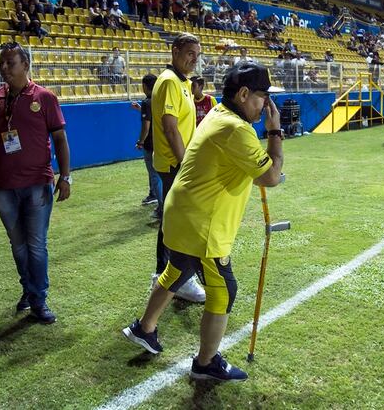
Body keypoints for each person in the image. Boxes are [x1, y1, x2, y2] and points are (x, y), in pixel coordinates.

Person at [122, 61, 285, 382]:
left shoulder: (219, 114)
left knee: (178, 269)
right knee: (224, 290)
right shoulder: (236, 129)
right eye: (262, 96)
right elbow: (271, 176)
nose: (266, 104)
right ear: (243, 94)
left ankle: (145, 328)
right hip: (202, 223)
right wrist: (275, 131)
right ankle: (206, 363)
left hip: (181, 212)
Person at [0, 42, 71, 324]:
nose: (4, 68)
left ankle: (39, 299)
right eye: (1, 62)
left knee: (36, 244)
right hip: (4, 187)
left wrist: (66, 176)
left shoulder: (45, 97)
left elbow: (59, 138)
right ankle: (29, 290)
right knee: (18, 244)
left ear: (26, 65)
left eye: (10, 62)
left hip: (38, 183)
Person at [149, 33, 205, 302]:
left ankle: (166, 274)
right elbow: (171, 128)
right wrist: (185, 165)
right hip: (175, 165)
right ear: (175, 51)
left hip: (177, 164)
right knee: (179, 222)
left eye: (198, 54)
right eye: (190, 52)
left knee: (174, 220)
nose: (194, 58)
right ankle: (171, 275)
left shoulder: (183, 82)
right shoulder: (170, 82)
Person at [133, 74, 163, 215]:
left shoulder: (147, 102)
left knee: (154, 175)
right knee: (160, 174)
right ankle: (159, 201)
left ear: (145, 86)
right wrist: (140, 109)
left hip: (150, 143)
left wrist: (140, 141)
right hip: (161, 142)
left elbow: (146, 125)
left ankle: (161, 207)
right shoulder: (160, 99)